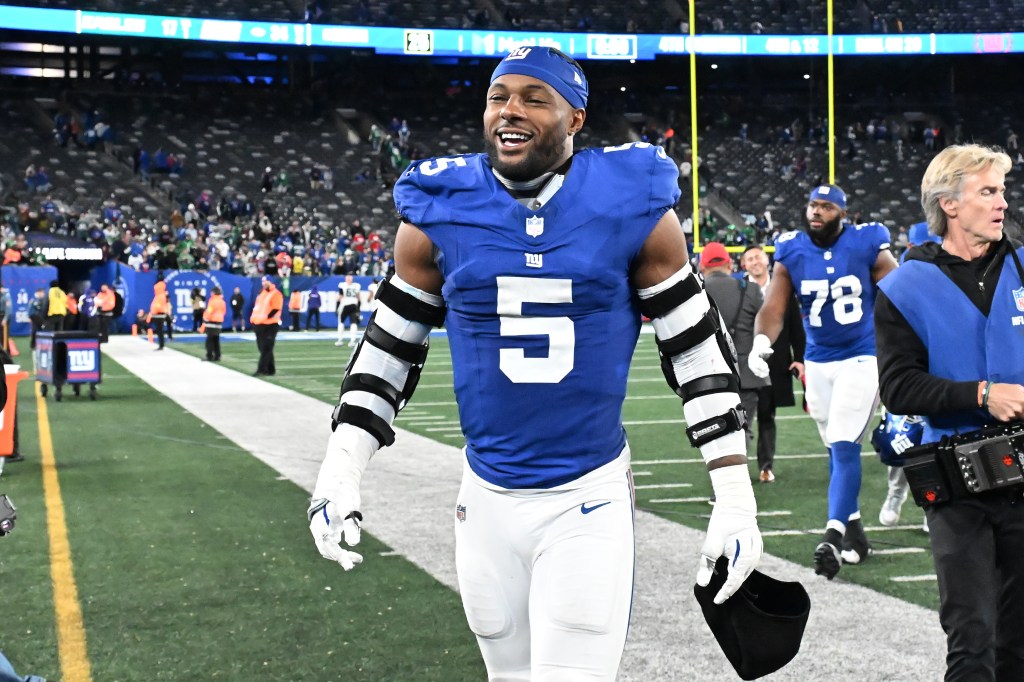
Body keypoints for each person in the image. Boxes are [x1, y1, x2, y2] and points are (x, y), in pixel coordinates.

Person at [308, 46, 763, 681]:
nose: (510, 111)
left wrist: (734, 497)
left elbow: (694, 348)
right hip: (485, 497)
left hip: (587, 496)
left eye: (533, 98)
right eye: (499, 96)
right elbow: (389, 349)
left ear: (575, 119)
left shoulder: (632, 204)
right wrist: (340, 470)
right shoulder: (440, 207)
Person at [875, 144, 1024, 680]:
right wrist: (982, 395)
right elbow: (898, 386)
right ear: (950, 204)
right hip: (958, 481)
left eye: (1002, 190)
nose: (1002, 202)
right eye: (987, 191)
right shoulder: (904, 286)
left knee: (1020, 641)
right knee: (971, 636)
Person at [750, 184, 898, 579]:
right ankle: (858, 536)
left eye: (827, 206)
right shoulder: (792, 250)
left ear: (843, 213)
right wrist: (762, 341)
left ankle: (832, 534)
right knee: (834, 449)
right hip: (818, 362)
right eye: (813, 205)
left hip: (862, 357)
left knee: (845, 443)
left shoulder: (868, 242)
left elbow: (901, 294)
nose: (816, 212)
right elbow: (774, 305)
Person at [740, 245, 806, 482]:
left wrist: (799, 358)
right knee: (740, 420)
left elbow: (797, 329)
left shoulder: (782, 290)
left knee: (768, 416)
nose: (755, 262)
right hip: (742, 365)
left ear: (766, 260)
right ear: (744, 265)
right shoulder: (736, 289)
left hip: (774, 365)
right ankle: (737, 469)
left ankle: (766, 466)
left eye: (758, 257)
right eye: (750, 259)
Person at [700, 242, 769, 462]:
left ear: (702, 266)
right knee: (742, 428)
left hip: (708, 373)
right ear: (730, 264)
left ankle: (721, 488)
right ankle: (737, 486)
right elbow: (765, 326)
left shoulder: (695, 293)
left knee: (715, 432)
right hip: (745, 374)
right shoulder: (751, 289)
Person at [250, 276, 282, 376]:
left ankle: (262, 369)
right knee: (263, 348)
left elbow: (276, 308)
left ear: (271, 282)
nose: (264, 283)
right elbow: (258, 308)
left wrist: (266, 317)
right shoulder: (262, 293)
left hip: (271, 324)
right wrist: (254, 320)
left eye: (266, 281)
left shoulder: (276, 293)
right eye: (263, 281)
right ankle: (271, 369)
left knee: (266, 348)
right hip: (259, 324)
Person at [335, 275, 361, 347]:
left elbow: (340, 296)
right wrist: (358, 308)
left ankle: (340, 340)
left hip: (345, 305)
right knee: (353, 323)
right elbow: (358, 298)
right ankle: (352, 341)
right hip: (353, 305)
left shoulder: (342, 285)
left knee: (341, 322)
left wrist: (336, 306)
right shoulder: (356, 286)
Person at [202, 286, 226, 361]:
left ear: (214, 292)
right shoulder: (222, 301)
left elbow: (209, 311)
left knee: (209, 340)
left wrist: (205, 319)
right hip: (219, 322)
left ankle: (209, 356)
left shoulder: (213, 301)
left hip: (211, 322)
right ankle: (217, 356)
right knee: (216, 340)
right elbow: (224, 311)